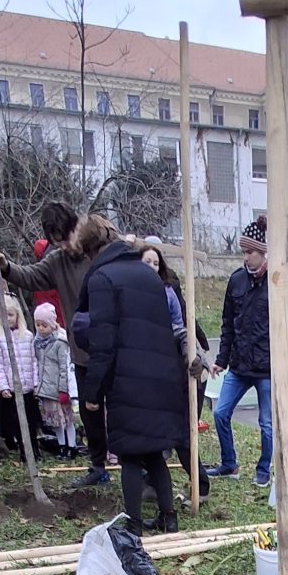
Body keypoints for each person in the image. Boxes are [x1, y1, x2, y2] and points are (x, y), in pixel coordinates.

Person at [76, 214, 185, 535]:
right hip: (160, 377)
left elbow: (103, 342)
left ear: (91, 249)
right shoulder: (148, 275)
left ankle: (134, 524)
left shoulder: (102, 279)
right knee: (154, 453)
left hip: (127, 380)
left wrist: (93, 392)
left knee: (130, 456)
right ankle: (168, 518)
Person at [0, 200, 109, 485]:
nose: (65, 246)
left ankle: (137, 464)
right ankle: (98, 467)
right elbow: (31, 276)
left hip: (114, 349)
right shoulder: (58, 261)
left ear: (78, 228)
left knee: (121, 409)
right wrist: (6, 267)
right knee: (90, 413)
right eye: (57, 242)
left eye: (67, 238)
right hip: (83, 352)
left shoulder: (100, 252)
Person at [140, 241, 211, 501]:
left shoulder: (169, 293)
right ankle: (152, 483)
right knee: (152, 432)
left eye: (156, 262)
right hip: (158, 380)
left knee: (182, 435)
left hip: (185, 377)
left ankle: (201, 487)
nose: (151, 267)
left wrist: (196, 359)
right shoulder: (135, 298)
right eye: (147, 262)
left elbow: (185, 333)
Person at [209, 215, 272, 486]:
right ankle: (229, 464)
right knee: (220, 413)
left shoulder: (277, 282)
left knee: (267, 423)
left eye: (250, 252)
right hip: (239, 365)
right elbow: (227, 324)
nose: (246, 257)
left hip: (267, 368)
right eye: (243, 252)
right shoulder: (236, 281)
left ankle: (263, 471)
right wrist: (221, 360)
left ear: (262, 252)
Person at [0, 295, 40, 460]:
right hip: (11, 388)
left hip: (28, 387)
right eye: (3, 315)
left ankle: (35, 448)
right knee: (17, 421)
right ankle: (24, 450)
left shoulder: (27, 335)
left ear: (17, 314)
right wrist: (3, 386)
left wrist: (36, 383)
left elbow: (34, 361)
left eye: (11, 314)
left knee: (31, 419)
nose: (8, 318)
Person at [33, 302, 77, 456]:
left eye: (44, 325)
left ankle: (72, 446)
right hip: (47, 390)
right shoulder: (37, 343)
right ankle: (61, 446)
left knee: (67, 420)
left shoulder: (60, 343)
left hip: (59, 390)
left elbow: (64, 367)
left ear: (52, 324)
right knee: (55, 422)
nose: (40, 328)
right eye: (37, 324)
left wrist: (63, 389)